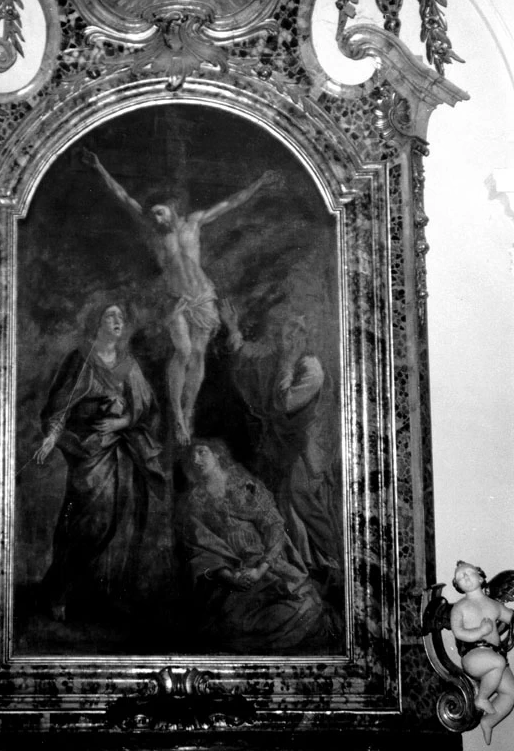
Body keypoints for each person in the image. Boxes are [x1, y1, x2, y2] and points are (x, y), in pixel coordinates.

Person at [80, 147, 280, 445]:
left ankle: (188, 411)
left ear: (172, 208)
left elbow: (231, 203)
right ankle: (175, 413)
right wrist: (99, 168)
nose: (156, 217)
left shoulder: (194, 222)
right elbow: (122, 196)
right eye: (153, 214)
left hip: (203, 297)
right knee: (183, 352)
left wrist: (260, 184)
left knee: (198, 354)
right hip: (178, 300)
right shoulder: (154, 230)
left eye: (160, 211)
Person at [34, 302, 168, 626]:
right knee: (84, 522)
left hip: (122, 448)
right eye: (111, 315)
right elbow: (60, 404)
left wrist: (121, 423)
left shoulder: (127, 364)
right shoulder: (81, 359)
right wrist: (52, 437)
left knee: (122, 517)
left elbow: (147, 407)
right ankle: (60, 590)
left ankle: (107, 592)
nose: (118, 320)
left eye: (122, 316)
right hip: (89, 449)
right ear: (97, 321)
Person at [220, 301, 342, 576]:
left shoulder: (311, 369)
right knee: (282, 501)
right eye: (290, 325)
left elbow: (285, 404)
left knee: (300, 498)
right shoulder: (278, 356)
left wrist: (286, 364)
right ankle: (302, 561)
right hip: (282, 444)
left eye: (300, 328)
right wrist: (232, 328)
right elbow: (248, 361)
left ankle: (330, 557)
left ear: (307, 335)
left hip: (307, 449)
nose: (293, 333)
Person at [179, 438, 332, 652]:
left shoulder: (246, 485)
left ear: (217, 454)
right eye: (191, 456)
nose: (195, 460)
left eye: (201, 452)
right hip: (230, 573)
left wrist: (260, 569)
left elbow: (274, 525)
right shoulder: (196, 500)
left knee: (303, 607)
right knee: (232, 625)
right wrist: (229, 577)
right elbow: (201, 545)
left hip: (264, 565)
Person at [450, 560, 514, 745]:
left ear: (481, 577)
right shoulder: (460, 607)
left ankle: (489, 721)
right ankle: (481, 698)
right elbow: (459, 632)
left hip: (495, 656)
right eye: (459, 577)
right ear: (457, 586)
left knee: (512, 692)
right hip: (473, 656)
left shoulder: (493, 605)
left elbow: (513, 618)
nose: (464, 576)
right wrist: (479, 633)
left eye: (468, 572)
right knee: (497, 662)